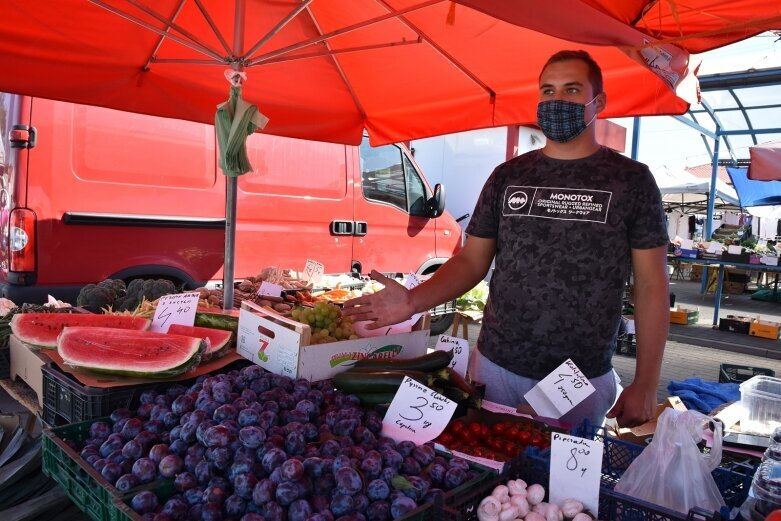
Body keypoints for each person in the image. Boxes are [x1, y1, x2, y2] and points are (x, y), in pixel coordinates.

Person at [342, 50, 669, 428]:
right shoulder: (507, 176)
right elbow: (471, 261)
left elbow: (650, 285)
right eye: (547, 91)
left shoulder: (631, 181)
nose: (556, 100)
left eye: (572, 89)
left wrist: (646, 382)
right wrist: (413, 300)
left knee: (557, 485)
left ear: (599, 102)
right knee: (493, 476)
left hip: (579, 378)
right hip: (497, 366)